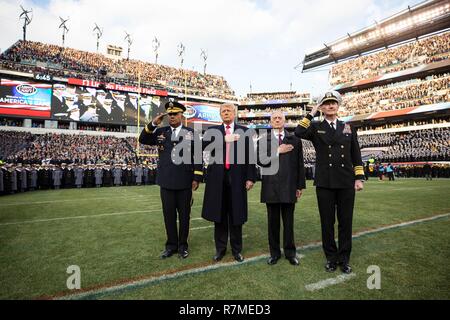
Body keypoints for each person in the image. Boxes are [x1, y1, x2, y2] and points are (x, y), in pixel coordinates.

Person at [295, 90, 364, 274]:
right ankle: (331, 258)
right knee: (327, 222)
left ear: (338, 105)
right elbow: (298, 131)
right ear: (322, 107)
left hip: (346, 180)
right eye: (326, 104)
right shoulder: (316, 127)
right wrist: (312, 113)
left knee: (345, 221)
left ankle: (344, 258)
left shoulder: (348, 127)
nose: (330, 106)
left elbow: (355, 154)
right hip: (325, 182)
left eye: (333, 103)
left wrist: (358, 178)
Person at [139, 100, 203, 259]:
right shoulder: (161, 131)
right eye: (170, 114)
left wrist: (196, 177)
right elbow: (143, 139)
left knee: (184, 216)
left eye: (175, 114)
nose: (172, 117)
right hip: (166, 180)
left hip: (184, 181)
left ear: (182, 115)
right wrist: (153, 123)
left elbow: (198, 157)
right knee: (168, 216)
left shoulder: (191, 133)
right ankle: (171, 246)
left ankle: (183, 246)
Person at [201, 103, 256, 263]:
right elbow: (203, 146)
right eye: (223, 111)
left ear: (234, 113)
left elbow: (250, 156)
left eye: (228, 110)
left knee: (236, 215)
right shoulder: (212, 131)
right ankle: (220, 249)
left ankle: (237, 250)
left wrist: (250, 177)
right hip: (217, 178)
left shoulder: (244, 131)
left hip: (237, 178)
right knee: (219, 215)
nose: (226, 113)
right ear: (220, 115)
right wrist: (223, 139)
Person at [258, 111, 306, 266]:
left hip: (289, 186)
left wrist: (300, 186)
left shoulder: (295, 140)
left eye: (280, 118)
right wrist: (278, 151)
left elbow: (300, 164)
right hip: (270, 186)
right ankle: (274, 253)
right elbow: (261, 161)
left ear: (285, 121)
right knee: (272, 223)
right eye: (274, 118)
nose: (277, 120)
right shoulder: (263, 139)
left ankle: (290, 253)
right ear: (270, 122)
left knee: (288, 222)